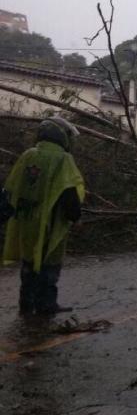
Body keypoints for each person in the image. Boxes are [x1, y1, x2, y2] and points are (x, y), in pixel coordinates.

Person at [3, 116, 85, 316]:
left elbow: (11, 187)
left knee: (29, 261)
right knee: (50, 263)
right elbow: (69, 192)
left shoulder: (28, 155)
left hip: (28, 220)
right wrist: (76, 217)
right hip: (51, 222)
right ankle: (46, 304)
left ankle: (26, 303)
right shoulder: (64, 160)